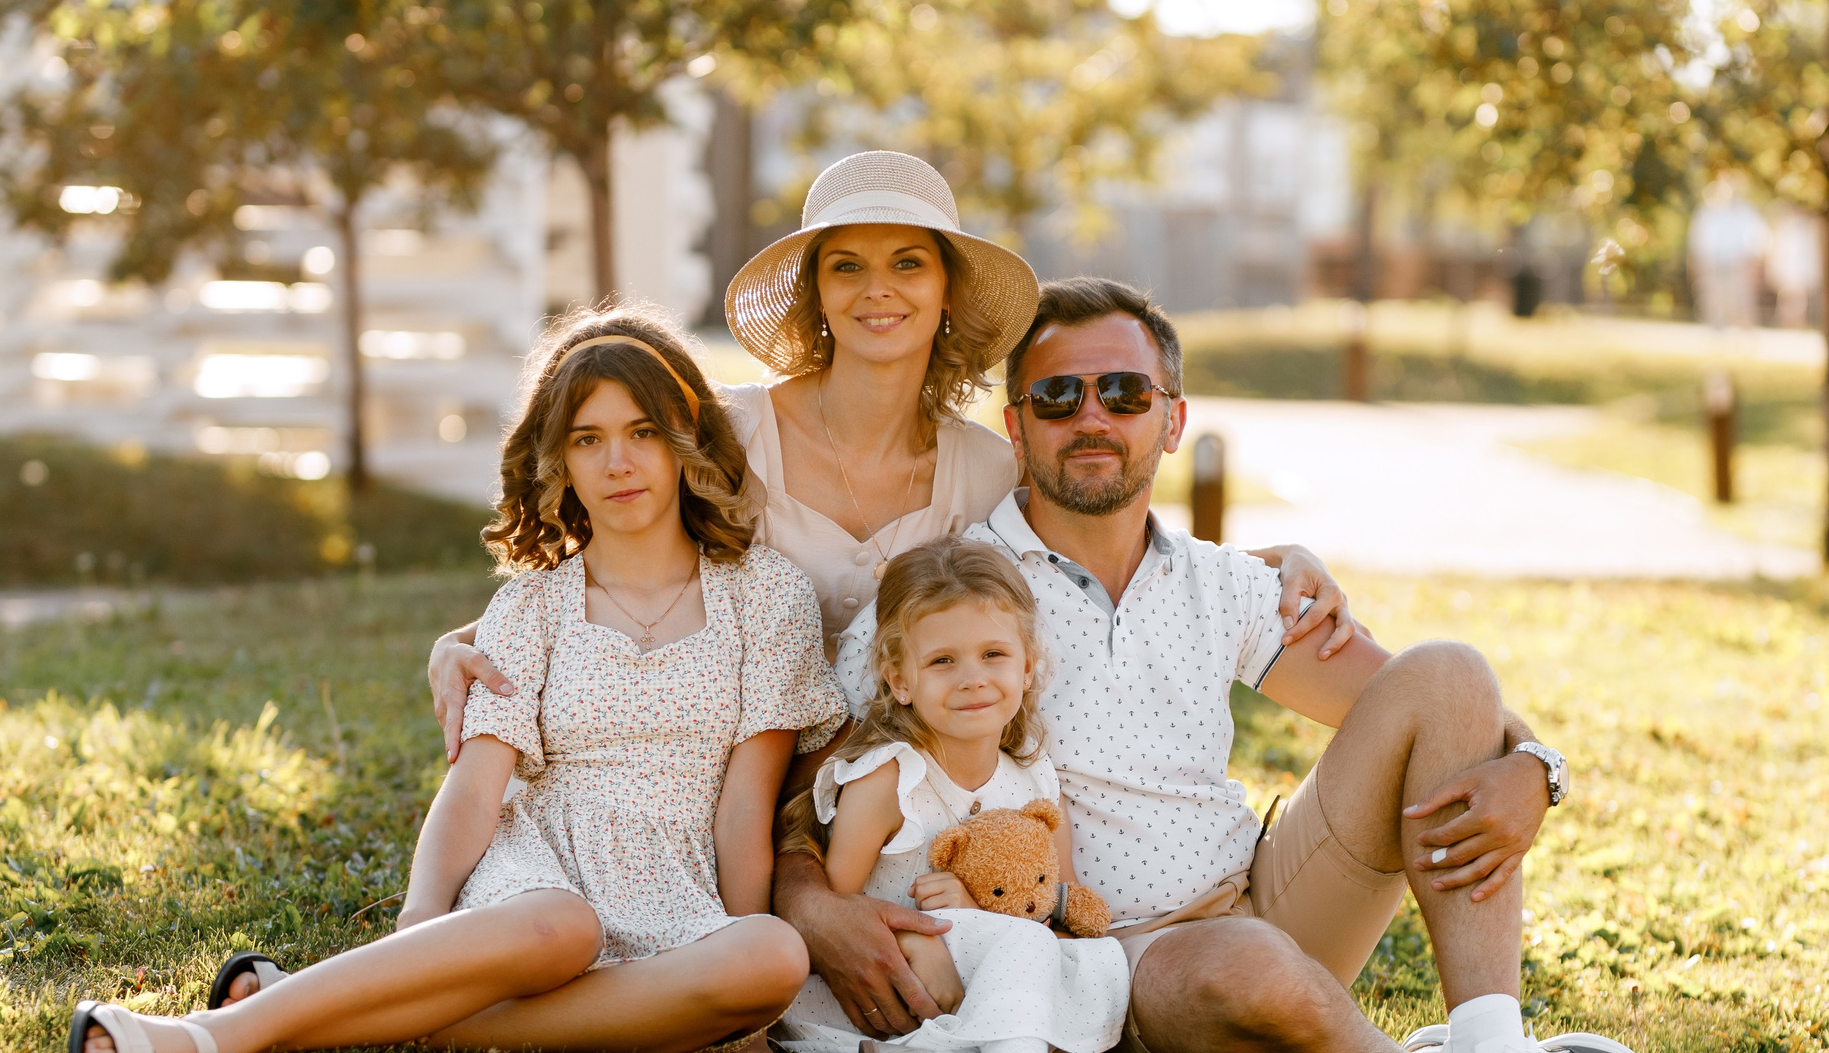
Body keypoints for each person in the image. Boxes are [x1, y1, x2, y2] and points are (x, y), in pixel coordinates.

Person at [413, 155, 1360, 998]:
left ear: (946, 290)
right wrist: (465, 641)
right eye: (846, 265)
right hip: (720, 791)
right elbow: (608, 551)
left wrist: (1271, 564)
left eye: (909, 262)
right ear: (815, 294)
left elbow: (1089, 526)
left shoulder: (985, 468)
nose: (879, 290)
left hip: (879, 794)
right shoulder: (734, 433)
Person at [798, 277, 1652, 1053]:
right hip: (1110, 965)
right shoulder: (952, 596)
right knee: (1245, 968)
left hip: (1262, 895)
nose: (1092, 417)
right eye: (1057, 396)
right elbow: (813, 790)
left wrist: (1535, 764)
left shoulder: (1223, 581)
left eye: (1124, 392)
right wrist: (814, 905)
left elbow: (1428, 702)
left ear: (1172, 420)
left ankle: (1491, 1047)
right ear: (1017, 427)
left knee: (1449, 668)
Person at [65, 308, 845, 1053]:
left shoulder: (765, 596)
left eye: (642, 431)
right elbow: (475, 786)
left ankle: (380, 1012)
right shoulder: (532, 606)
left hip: (679, 895)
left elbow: (744, 808)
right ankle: (208, 1035)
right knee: (563, 927)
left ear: (686, 438)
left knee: (772, 956)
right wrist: (420, 921)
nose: (618, 462)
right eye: (588, 439)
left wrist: (751, 1017)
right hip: (541, 884)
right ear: (558, 462)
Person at [774, 536, 1128, 1053]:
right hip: (887, 994)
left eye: (994, 654)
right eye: (942, 661)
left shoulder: (1034, 776)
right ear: (899, 679)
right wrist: (935, 935)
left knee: (1101, 962)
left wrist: (980, 913)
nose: (972, 679)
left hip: (979, 984)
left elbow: (1057, 904)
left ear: (1027, 667)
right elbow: (839, 916)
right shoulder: (890, 778)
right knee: (1028, 948)